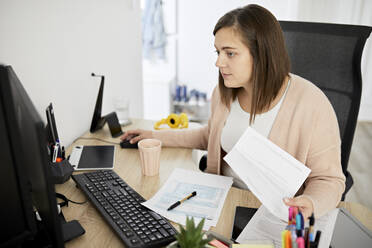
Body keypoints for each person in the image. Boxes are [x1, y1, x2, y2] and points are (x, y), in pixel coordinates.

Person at [121, 4, 345, 220]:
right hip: (222, 202)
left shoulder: (311, 104)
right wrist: (155, 136)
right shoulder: (224, 93)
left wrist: (311, 202)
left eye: (230, 53)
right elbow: (209, 136)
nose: (218, 62)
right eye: (218, 52)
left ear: (262, 54)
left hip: (274, 215)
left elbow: (329, 179)